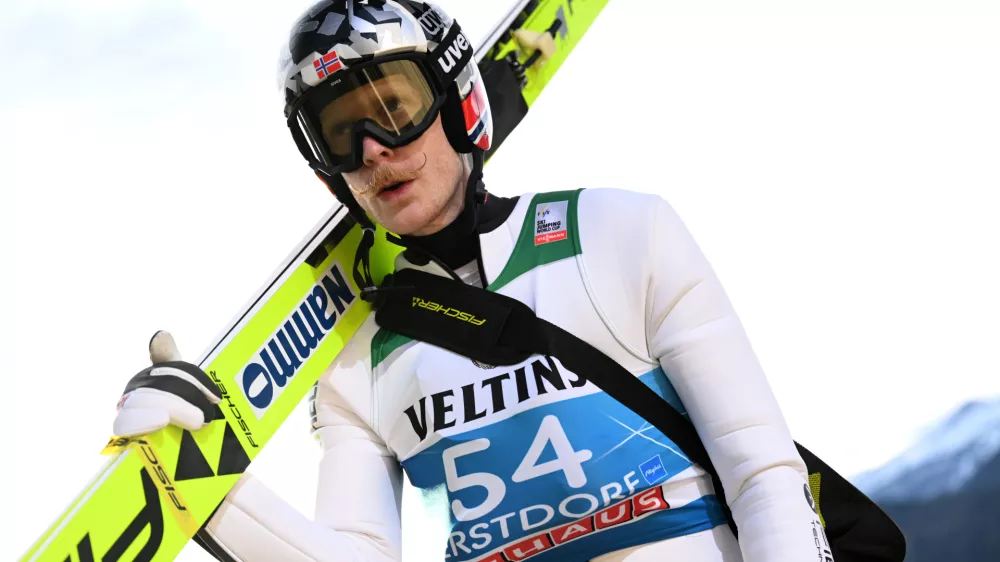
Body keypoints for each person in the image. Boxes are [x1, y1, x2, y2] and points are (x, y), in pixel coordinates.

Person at [112, 1, 832, 561]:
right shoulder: (356, 362)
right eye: (340, 135)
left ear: (457, 102)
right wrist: (205, 483)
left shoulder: (623, 232)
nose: (373, 152)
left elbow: (763, 473)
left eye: (395, 111)